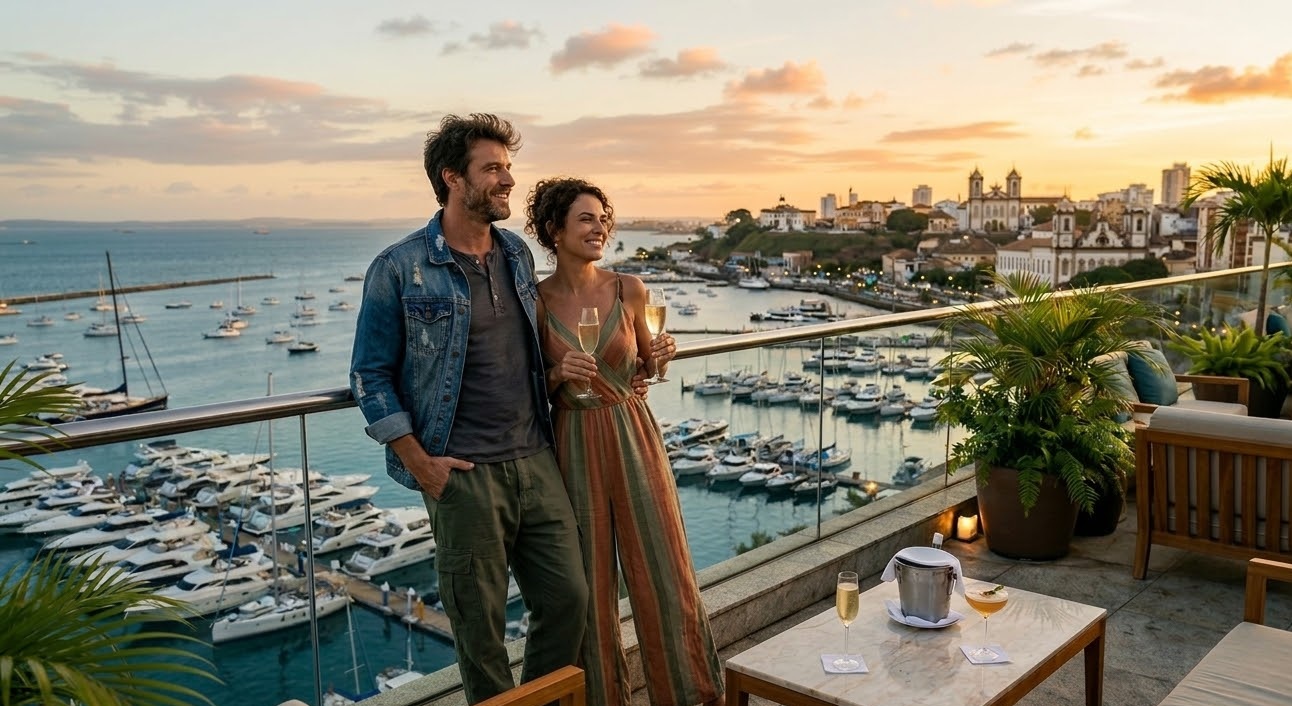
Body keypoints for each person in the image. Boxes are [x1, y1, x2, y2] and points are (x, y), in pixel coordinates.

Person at [349, 113, 588, 704]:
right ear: (452, 177)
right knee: (478, 632)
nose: (508, 180)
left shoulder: (517, 254)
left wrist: (561, 371)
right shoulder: (399, 267)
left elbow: (523, 350)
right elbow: (368, 375)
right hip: (463, 474)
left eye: (508, 167)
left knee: (569, 600)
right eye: (493, 169)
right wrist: (419, 461)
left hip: (535, 460)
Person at [525, 177, 724, 706]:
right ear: (554, 230)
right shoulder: (537, 302)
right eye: (585, 219)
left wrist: (662, 352)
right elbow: (529, 386)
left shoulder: (627, 288)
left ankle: (690, 695)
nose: (599, 229)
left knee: (664, 570)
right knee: (589, 590)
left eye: (602, 219)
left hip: (633, 433)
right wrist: (556, 375)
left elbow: (645, 364)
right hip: (573, 442)